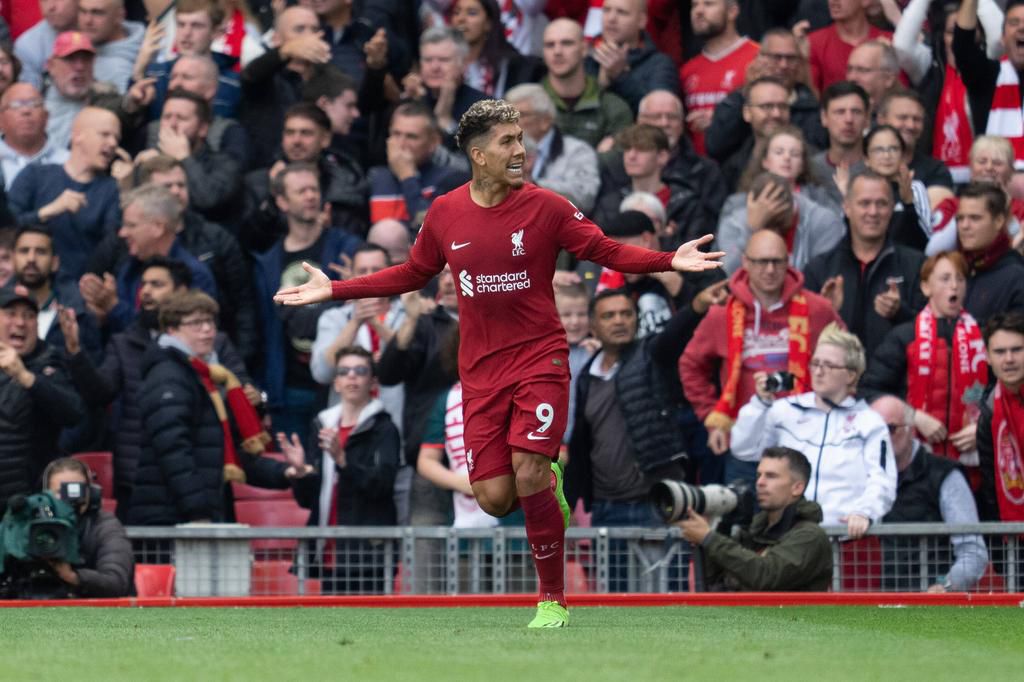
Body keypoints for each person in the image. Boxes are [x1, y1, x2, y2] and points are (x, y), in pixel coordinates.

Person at [275, 98, 725, 627]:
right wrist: (337, 289)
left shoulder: (547, 206)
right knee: (492, 499)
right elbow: (412, 273)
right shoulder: (445, 212)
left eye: (521, 140)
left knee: (529, 469)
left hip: (540, 360)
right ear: (478, 154)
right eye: (507, 141)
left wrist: (669, 259)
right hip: (481, 372)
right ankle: (547, 487)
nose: (520, 151)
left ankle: (552, 601)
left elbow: (605, 250)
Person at [60, 257, 253, 515]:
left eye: (157, 284)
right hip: (138, 473)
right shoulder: (125, 343)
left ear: (181, 291)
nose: (146, 291)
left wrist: (254, 397)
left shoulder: (213, 344)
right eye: (144, 284)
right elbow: (100, 393)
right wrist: (76, 354)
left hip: (206, 472)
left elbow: (242, 389)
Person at [130, 290, 307, 526]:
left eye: (210, 321)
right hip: (172, 518)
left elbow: (224, 452)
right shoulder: (169, 376)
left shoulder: (207, 376)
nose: (207, 330)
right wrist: (198, 514)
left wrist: (285, 471)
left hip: (198, 511)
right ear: (171, 330)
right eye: (196, 323)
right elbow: (174, 451)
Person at [680, 230, 840, 478]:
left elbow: (846, 361)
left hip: (806, 438)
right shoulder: (722, 313)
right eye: (761, 262)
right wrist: (712, 418)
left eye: (777, 262)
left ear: (788, 262)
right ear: (745, 262)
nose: (770, 270)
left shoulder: (817, 309)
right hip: (745, 441)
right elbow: (690, 365)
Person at [729, 323, 897, 537]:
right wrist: (759, 404)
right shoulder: (784, 410)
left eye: (829, 365)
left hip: (846, 537)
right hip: (789, 538)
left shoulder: (869, 422)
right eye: (815, 363)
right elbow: (744, 450)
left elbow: (882, 480)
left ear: (851, 375)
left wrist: (865, 512)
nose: (818, 372)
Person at [278, 345, 401, 593]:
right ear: (336, 383)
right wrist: (301, 473)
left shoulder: (384, 428)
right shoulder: (322, 425)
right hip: (327, 549)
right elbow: (307, 501)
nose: (351, 376)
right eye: (344, 371)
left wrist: (343, 460)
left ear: (373, 382)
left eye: (360, 371)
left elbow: (382, 485)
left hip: (367, 552)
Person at [252, 162, 361, 438]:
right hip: (289, 387)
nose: (311, 196)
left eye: (314, 189)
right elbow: (265, 328)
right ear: (281, 201)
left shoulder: (347, 248)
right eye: (301, 191)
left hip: (342, 383)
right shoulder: (268, 264)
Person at [861, 252, 988, 466]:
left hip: (972, 462)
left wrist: (983, 427)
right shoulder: (904, 336)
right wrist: (913, 416)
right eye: (945, 279)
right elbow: (869, 391)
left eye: (960, 279)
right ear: (926, 287)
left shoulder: (982, 337)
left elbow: (1000, 392)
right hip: (914, 462)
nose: (954, 286)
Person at [803, 170, 926, 360]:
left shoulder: (916, 265)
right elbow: (801, 336)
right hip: (836, 375)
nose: (873, 212)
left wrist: (900, 313)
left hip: (895, 376)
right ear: (847, 207)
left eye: (881, 204)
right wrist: (826, 312)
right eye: (864, 203)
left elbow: (932, 333)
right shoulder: (819, 268)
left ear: (892, 208)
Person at [871, 396, 988, 592]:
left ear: (911, 430)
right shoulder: (859, 476)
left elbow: (973, 552)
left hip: (929, 601)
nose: (881, 438)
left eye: (890, 429)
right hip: (871, 601)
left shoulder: (945, 475)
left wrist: (945, 586)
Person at [677, 446, 833, 592]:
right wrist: (720, 528)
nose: (760, 482)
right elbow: (714, 582)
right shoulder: (753, 531)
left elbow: (766, 576)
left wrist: (709, 538)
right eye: (759, 475)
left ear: (797, 488)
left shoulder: (810, 536)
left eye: (771, 476)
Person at [80, 183, 217, 332]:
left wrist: (114, 306)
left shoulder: (194, 274)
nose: (122, 233)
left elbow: (170, 333)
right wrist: (101, 314)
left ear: (158, 228)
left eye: (131, 225)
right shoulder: (129, 267)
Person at [7, 107, 121, 286]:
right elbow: (6, 228)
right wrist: (48, 211)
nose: (113, 143)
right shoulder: (34, 175)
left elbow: (112, 246)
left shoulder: (112, 189)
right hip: (24, 286)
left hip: (78, 290)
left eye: (117, 138)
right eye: (105, 134)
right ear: (77, 135)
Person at [0, 288, 84, 512]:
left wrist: (26, 377)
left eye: (29, 316)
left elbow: (73, 412)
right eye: (11, 314)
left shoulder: (49, 362)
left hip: (29, 500)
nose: (20, 323)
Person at [704, 27, 828, 164]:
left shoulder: (809, 103)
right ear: (759, 58)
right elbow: (715, 146)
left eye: (791, 58)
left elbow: (821, 151)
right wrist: (748, 93)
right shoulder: (737, 100)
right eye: (776, 57)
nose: (784, 65)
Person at [239, 5, 331, 170]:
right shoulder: (267, 79)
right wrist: (285, 52)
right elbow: (250, 75)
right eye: (299, 29)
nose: (308, 36)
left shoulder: (329, 78)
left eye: (315, 29)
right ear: (276, 39)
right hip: (266, 174)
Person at [144, 88, 243, 229]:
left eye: (181, 118)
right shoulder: (149, 162)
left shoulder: (225, 164)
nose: (172, 124)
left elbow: (208, 200)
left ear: (203, 129)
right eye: (166, 117)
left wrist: (184, 158)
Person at [37, 457, 135, 597]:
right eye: (60, 492)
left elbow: (115, 582)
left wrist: (73, 576)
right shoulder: (33, 525)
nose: (69, 499)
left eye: (76, 491)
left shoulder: (106, 526)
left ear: (91, 493)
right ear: (46, 496)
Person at [715, 171, 845, 275]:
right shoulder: (734, 224)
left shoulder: (823, 222)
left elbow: (823, 278)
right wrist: (752, 231)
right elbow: (730, 273)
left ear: (793, 207)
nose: (774, 235)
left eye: (779, 225)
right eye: (768, 226)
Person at [5, 224, 101, 360]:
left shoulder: (79, 314)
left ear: (55, 262)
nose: (31, 258)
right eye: (24, 251)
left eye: (41, 252)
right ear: (13, 259)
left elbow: (92, 368)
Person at [368, 102, 468, 229]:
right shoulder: (375, 177)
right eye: (396, 134)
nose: (401, 144)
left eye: (411, 137)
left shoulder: (452, 180)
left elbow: (430, 228)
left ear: (434, 142)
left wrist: (408, 177)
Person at [678, 0, 759, 156]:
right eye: (694, 5)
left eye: (708, 4)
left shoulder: (757, 59)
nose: (698, 11)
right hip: (698, 166)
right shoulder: (687, 71)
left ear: (732, 12)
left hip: (741, 162)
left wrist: (720, 119)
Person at [505, 83, 600, 215]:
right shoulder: (502, 151)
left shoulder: (577, 151)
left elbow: (584, 196)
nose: (511, 122)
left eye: (521, 115)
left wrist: (532, 186)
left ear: (545, 121)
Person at [540, 18, 633, 150]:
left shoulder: (613, 108)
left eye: (567, 43)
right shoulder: (525, 106)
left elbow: (622, 158)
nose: (557, 51)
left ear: (584, 49)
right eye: (550, 45)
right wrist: (597, 156)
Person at [953, 0, 1024, 167]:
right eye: (1014, 23)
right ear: (1002, 38)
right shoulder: (987, 76)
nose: (1022, 28)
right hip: (992, 179)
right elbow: (963, 46)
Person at [584, 0, 679, 113]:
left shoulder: (660, 65)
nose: (611, 18)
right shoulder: (585, 57)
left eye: (622, 12)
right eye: (606, 10)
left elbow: (660, 115)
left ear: (641, 21)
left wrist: (620, 76)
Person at [977, 312, 1024, 523]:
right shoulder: (988, 413)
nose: (1009, 359)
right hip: (1014, 533)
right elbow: (990, 486)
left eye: (1017, 350)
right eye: (999, 352)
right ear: (987, 357)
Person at [956, 182, 1024, 326]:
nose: (964, 226)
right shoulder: (956, 269)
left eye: (975, 218)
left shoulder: (1017, 276)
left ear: (999, 221)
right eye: (960, 218)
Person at [449, 0, 544, 99]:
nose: (461, 19)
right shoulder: (443, 62)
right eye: (456, 12)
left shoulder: (512, 67)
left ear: (488, 23)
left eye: (472, 13)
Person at [859, 125, 931, 250]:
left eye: (893, 149)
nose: (887, 156)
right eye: (879, 150)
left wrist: (908, 202)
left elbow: (926, 238)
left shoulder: (915, 188)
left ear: (902, 156)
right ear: (866, 159)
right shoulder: (859, 190)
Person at [807, 0, 892, 95]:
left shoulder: (889, 42)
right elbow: (811, 96)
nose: (833, 1)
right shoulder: (813, 42)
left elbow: (898, 91)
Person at [875, 88, 954, 190]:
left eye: (917, 119)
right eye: (902, 117)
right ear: (881, 120)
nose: (911, 125)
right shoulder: (862, 168)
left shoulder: (935, 171)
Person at [809, 81, 871, 207]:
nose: (849, 119)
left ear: (867, 119)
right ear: (824, 117)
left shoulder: (878, 169)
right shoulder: (809, 170)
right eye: (840, 112)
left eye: (856, 112)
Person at [0, 83, 70, 190]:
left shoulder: (68, 162)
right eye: (16, 105)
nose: (26, 111)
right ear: (1, 119)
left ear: (46, 117)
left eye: (34, 104)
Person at [41, 31, 100, 152]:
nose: (80, 67)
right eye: (70, 59)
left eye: (86, 59)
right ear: (51, 65)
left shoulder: (105, 102)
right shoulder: (35, 105)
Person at [78, 0, 144, 93]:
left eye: (97, 13)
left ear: (119, 16)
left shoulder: (119, 71)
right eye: (83, 11)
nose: (87, 20)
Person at [13, 0, 78, 88]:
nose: (50, 7)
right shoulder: (27, 46)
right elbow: (30, 94)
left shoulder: (95, 32)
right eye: (45, 0)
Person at [845, 40, 900, 117]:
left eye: (862, 70)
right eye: (849, 69)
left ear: (888, 79)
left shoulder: (905, 115)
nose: (852, 77)